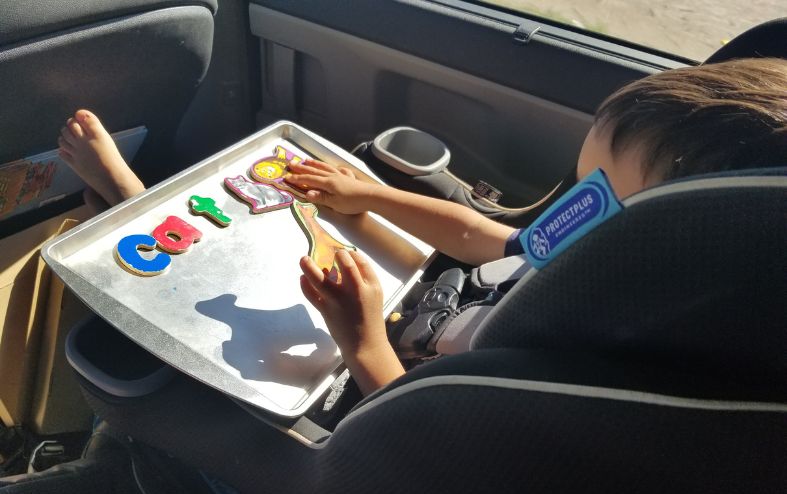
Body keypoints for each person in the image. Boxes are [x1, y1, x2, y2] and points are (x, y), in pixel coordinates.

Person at [58, 57, 787, 396]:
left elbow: (418, 429)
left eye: (603, 198)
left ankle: (128, 194)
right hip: (420, 306)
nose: (577, 206)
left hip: (378, 383)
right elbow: (484, 239)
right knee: (270, 234)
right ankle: (134, 198)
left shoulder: (578, 358)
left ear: (677, 251)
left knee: (201, 302)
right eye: (581, 185)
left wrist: (363, 337)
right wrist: (370, 195)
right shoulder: (590, 252)